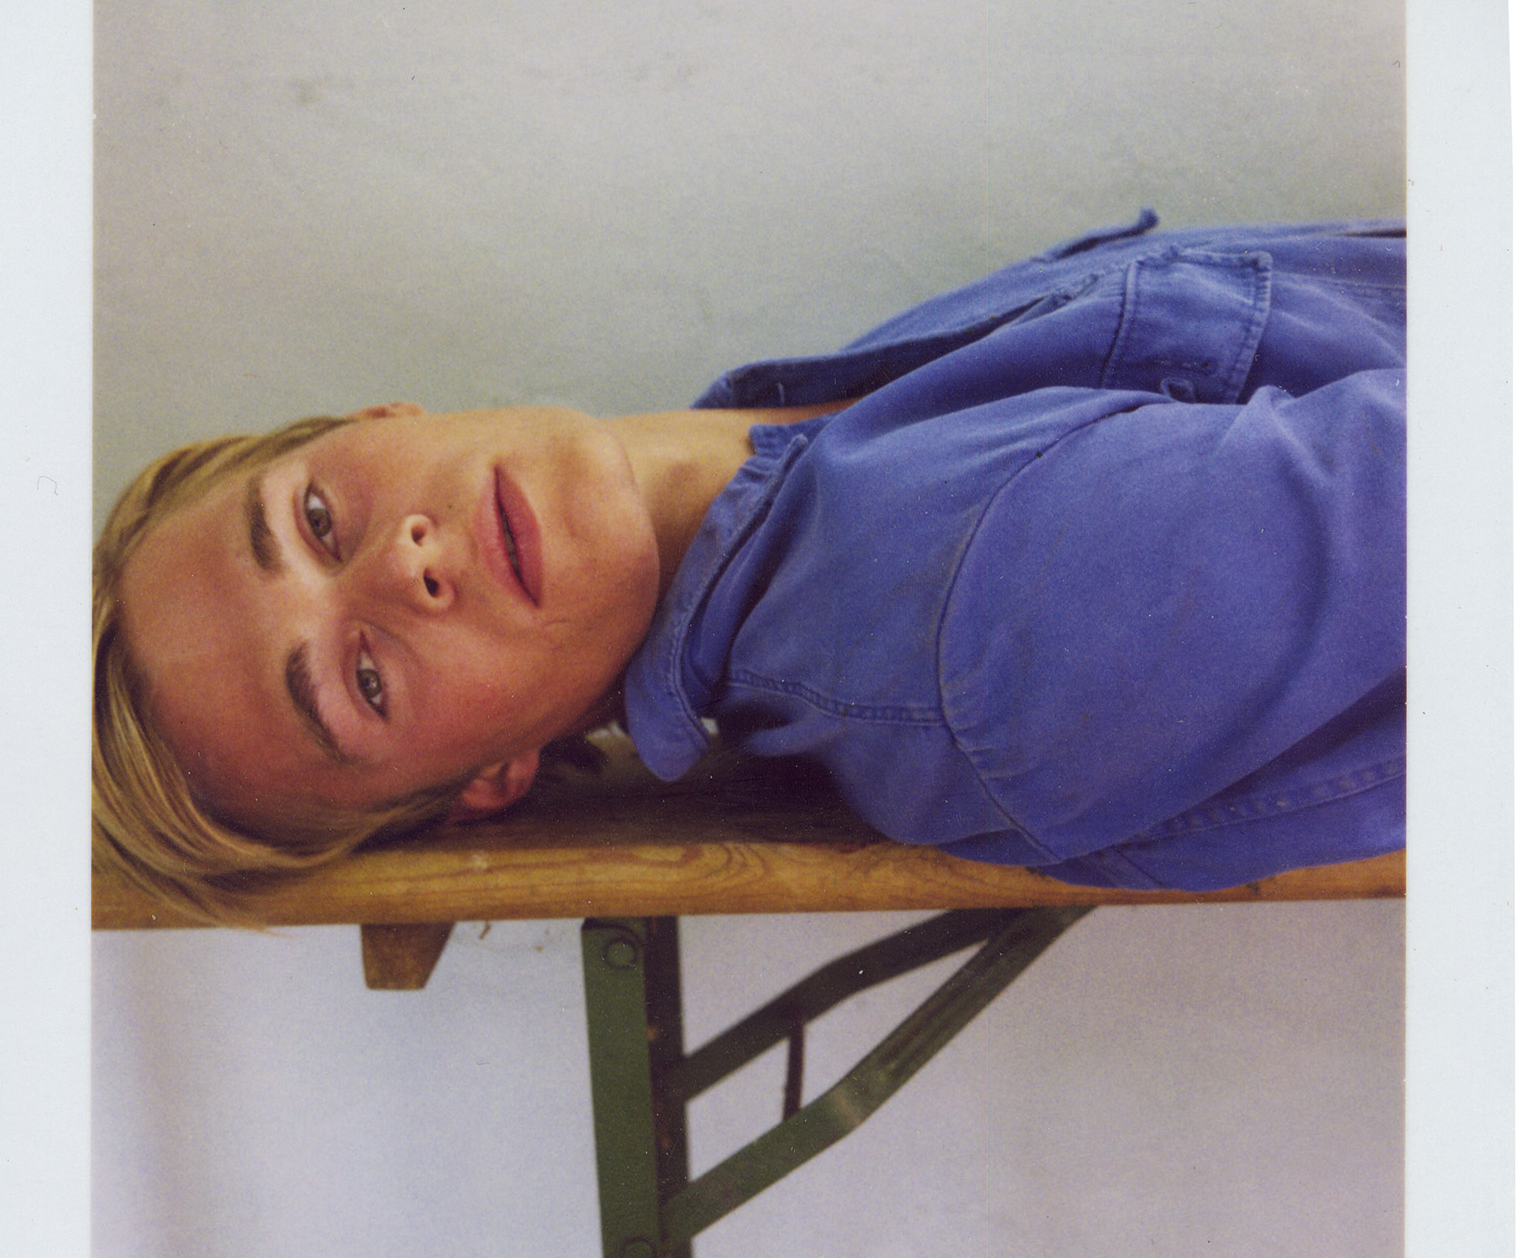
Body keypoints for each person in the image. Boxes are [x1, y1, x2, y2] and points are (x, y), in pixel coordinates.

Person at [94, 210, 1405, 923]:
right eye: (363, 683)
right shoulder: (957, 636)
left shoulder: (809, 445)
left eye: (318, 519)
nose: (403, 567)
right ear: (489, 781)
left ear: (375, 423)